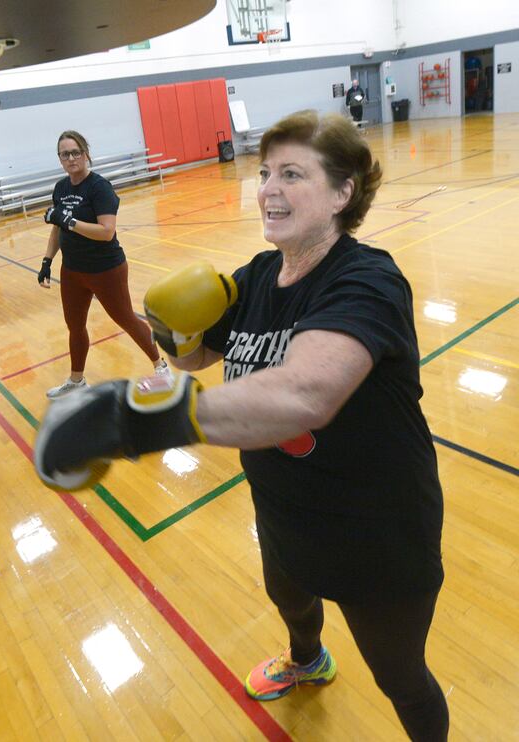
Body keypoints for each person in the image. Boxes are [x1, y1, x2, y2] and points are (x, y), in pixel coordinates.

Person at [35, 111, 449, 740]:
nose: (268, 188)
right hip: (283, 506)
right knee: (292, 602)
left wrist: (135, 423)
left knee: (401, 677)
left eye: (291, 173)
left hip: (377, 528)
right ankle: (308, 662)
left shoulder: (368, 279)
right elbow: (198, 358)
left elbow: (305, 392)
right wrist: (175, 332)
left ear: (342, 193)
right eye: (263, 173)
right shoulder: (258, 274)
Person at [38, 130, 169, 398]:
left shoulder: (99, 187)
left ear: (86, 154)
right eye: (65, 154)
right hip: (73, 270)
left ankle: (162, 368)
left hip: (106, 268)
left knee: (126, 319)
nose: (71, 158)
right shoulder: (61, 189)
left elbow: (106, 231)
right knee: (74, 325)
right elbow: (57, 229)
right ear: (60, 159)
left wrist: (68, 221)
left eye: (76, 152)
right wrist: (47, 261)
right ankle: (77, 381)